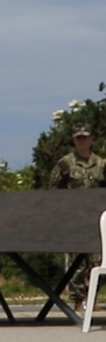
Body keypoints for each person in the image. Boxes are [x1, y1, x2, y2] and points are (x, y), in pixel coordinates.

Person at [49, 122, 106, 312]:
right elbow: (54, 191)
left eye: (85, 137)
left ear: (91, 139)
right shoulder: (65, 164)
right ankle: (77, 302)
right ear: (74, 141)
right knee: (76, 263)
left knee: (96, 262)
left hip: (96, 221)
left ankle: (91, 300)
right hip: (74, 221)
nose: (82, 141)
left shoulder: (101, 164)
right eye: (78, 138)